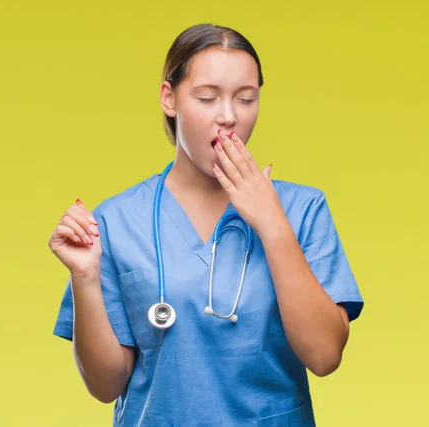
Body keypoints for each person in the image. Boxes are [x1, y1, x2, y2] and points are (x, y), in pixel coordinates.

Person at [48, 23, 364, 426]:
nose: (229, 116)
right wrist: (85, 276)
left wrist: (272, 224)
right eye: (207, 98)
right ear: (169, 98)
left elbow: (324, 356)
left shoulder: (303, 209)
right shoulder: (116, 220)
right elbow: (105, 385)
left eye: (246, 99)